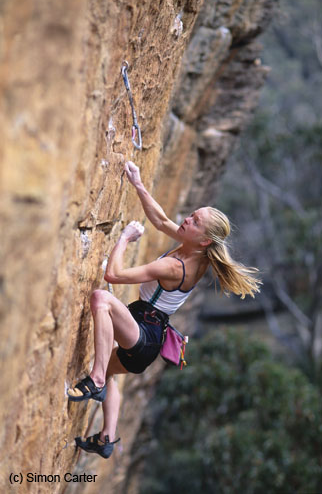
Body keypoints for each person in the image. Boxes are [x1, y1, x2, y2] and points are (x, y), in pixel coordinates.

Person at [68, 160, 261, 459]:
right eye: (192, 215)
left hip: (144, 333)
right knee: (110, 369)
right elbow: (160, 220)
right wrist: (138, 183)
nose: (186, 220)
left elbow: (113, 276)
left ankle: (93, 381)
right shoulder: (198, 251)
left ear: (204, 239)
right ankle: (107, 437)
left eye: (194, 222)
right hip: (148, 334)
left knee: (101, 299)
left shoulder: (175, 266)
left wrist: (124, 238)